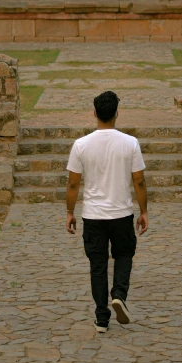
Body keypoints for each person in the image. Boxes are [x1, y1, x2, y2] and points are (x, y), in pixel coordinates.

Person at [66, 90, 148, 333]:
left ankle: (102, 318)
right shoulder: (130, 143)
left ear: (94, 113)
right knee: (124, 255)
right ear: (116, 114)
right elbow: (139, 181)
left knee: (98, 265)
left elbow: (73, 183)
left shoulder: (81, 145)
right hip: (121, 213)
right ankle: (119, 295)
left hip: (93, 215)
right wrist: (144, 211)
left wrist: (70, 211)